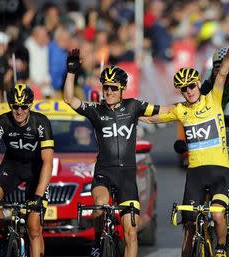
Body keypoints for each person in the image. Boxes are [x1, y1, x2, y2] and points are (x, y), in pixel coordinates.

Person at [140, 24, 229, 257]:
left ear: (198, 83)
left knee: (217, 214)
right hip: (195, 173)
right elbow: (153, 116)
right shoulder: (180, 109)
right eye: (183, 89)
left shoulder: (213, 99)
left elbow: (224, 72)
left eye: (191, 86)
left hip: (219, 171)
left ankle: (220, 248)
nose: (189, 91)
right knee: (189, 223)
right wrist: (128, 112)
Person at [63, 49, 171, 257]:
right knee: (100, 208)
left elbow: (163, 111)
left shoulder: (134, 106)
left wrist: (188, 108)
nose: (109, 92)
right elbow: (69, 99)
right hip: (104, 173)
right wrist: (71, 72)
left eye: (113, 88)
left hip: (127, 177)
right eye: (105, 88)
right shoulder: (96, 110)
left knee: (131, 233)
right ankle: (97, 242)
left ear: (122, 89)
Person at [0, 84, 54, 257]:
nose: (19, 111)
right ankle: (6, 234)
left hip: (35, 169)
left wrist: (38, 196)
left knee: (34, 228)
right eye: (15, 106)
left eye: (24, 106)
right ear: (10, 105)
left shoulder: (41, 122)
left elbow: (48, 162)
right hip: (11, 167)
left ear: (30, 105)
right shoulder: (1, 123)